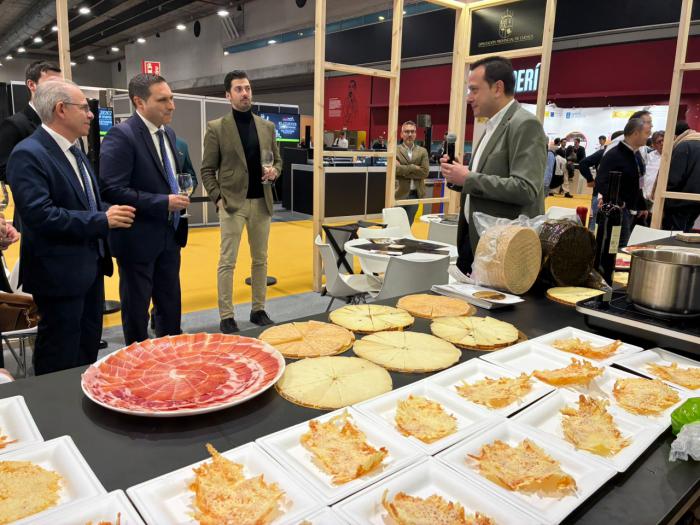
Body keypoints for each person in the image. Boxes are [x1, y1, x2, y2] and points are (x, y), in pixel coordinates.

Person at [6, 80, 135, 374]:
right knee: (59, 355)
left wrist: (111, 210)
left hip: (90, 269)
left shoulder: (75, 151)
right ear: (61, 109)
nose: (90, 114)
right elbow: (41, 215)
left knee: (86, 350)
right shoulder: (29, 154)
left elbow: (86, 201)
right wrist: (102, 219)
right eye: (84, 108)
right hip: (58, 275)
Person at [100, 73, 189, 345]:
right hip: (137, 240)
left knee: (170, 306)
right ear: (139, 102)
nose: (171, 105)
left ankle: (169, 355)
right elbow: (111, 189)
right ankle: (136, 361)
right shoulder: (121, 135)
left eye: (171, 98)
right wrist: (163, 202)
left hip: (169, 236)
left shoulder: (168, 133)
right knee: (137, 312)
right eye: (163, 100)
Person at [440, 56, 547, 275]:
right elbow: (489, 179)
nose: (469, 98)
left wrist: (468, 178)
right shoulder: (491, 126)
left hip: (502, 250)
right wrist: (459, 176)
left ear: (498, 88)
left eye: (474, 90)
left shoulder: (525, 124)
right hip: (476, 240)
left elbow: (526, 188)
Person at [201, 70, 282, 333]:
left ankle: (258, 309)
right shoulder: (216, 128)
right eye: (238, 89)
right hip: (232, 204)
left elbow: (278, 160)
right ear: (228, 95)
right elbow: (207, 170)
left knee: (260, 260)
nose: (244, 93)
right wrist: (217, 198)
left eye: (247, 88)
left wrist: (275, 171)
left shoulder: (267, 127)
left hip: (262, 203)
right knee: (228, 261)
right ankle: (226, 315)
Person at [0, 61, 62, 184]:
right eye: (51, 84)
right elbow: (5, 171)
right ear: (31, 84)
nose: (58, 90)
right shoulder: (14, 125)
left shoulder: (60, 123)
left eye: (60, 85)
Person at [595, 118, 649, 247]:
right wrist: (618, 202)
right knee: (617, 245)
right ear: (635, 133)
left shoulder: (636, 154)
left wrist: (641, 205)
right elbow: (601, 181)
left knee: (625, 245)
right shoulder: (614, 154)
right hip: (617, 210)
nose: (648, 136)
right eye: (646, 133)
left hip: (631, 210)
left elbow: (638, 182)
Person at [660, 122, 700, 232]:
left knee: (672, 235)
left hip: (679, 202)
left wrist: (664, 198)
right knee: (685, 233)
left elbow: (674, 178)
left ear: (674, 135)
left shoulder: (683, 145)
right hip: (696, 200)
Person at [395, 120, 429, 226]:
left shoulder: (422, 151)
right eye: (407, 131)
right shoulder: (395, 150)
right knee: (395, 225)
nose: (410, 134)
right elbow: (395, 170)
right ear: (401, 134)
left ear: (415, 134)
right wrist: (413, 167)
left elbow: (425, 172)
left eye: (412, 131)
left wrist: (403, 169)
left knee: (408, 225)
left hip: (415, 195)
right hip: (398, 194)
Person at [643, 131, 664, 207]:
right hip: (648, 198)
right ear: (654, 145)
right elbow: (642, 176)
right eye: (659, 142)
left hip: (664, 198)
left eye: (664, 140)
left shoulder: (674, 155)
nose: (662, 143)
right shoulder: (649, 157)